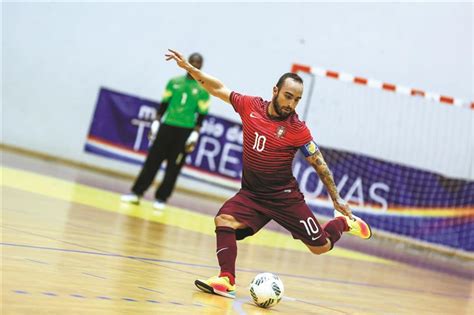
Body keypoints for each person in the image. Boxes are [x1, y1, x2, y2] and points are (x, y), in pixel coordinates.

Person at [165, 49, 372, 298]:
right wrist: (191, 69)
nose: (291, 104)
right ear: (275, 91)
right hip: (252, 194)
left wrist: (337, 201)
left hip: (284, 199)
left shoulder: (297, 129)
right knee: (223, 220)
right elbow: (218, 88)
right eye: (288, 96)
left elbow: (321, 165)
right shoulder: (250, 106)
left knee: (321, 247)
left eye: (297, 100)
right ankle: (226, 279)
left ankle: (344, 224)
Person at [121, 52, 210, 210]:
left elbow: (202, 114)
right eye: (193, 61)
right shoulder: (174, 82)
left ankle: (161, 198)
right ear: (187, 62)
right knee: (152, 161)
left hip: (185, 130)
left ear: (201, 66)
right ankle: (137, 193)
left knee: (173, 167)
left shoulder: (203, 89)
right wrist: (156, 121)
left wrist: (195, 133)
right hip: (167, 126)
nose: (195, 64)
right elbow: (163, 104)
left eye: (198, 62)